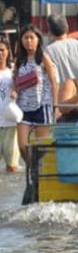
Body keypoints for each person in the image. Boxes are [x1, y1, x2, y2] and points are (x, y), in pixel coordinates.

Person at [14, 25, 58, 163]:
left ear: (38, 39)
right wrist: (14, 93)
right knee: (22, 146)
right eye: (25, 38)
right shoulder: (20, 59)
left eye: (31, 38)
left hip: (42, 104)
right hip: (23, 105)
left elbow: (54, 82)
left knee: (41, 146)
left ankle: (38, 174)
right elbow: (15, 81)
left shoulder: (43, 57)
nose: (28, 41)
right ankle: (31, 167)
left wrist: (55, 105)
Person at [0, 37, 20, 172]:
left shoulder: (14, 71)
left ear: (8, 51)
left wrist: (16, 91)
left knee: (12, 167)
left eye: (1, 50)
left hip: (10, 124)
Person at [45, 14, 78, 84]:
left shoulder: (49, 50)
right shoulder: (76, 44)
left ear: (50, 31)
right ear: (67, 27)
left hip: (61, 89)